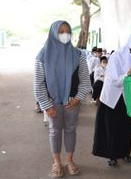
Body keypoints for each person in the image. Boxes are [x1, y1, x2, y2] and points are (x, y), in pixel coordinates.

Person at [34, 20, 90, 178]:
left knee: (71, 129)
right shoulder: (43, 55)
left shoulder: (78, 54)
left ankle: (70, 160)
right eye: (61, 31)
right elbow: (38, 83)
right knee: (54, 131)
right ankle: (57, 162)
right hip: (52, 102)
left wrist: (78, 98)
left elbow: (85, 80)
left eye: (68, 31)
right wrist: (46, 104)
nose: (65, 34)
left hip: (72, 101)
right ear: (53, 33)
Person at [92, 32, 131, 167]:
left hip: (130, 98)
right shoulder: (117, 55)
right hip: (114, 98)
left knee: (128, 127)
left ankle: (125, 153)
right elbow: (115, 80)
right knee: (112, 127)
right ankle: (112, 155)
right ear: (129, 44)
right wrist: (129, 72)